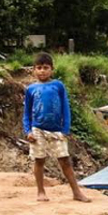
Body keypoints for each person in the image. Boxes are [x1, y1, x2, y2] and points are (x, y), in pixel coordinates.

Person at [23, 52, 90, 203]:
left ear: (52, 69)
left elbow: (66, 108)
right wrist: (28, 131)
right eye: (39, 68)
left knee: (64, 159)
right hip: (37, 129)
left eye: (45, 68)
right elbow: (26, 112)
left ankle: (76, 192)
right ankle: (41, 191)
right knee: (39, 160)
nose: (42, 71)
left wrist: (65, 129)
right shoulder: (31, 89)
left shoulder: (58, 86)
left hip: (56, 130)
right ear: (33, 70)